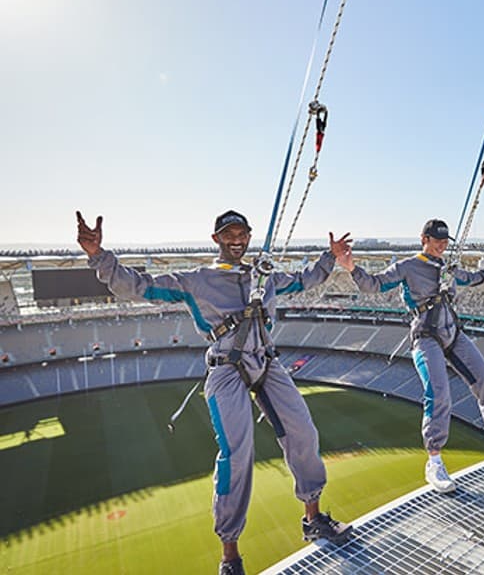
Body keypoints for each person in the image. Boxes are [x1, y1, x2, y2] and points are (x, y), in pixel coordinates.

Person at [76, 210, 352, 575]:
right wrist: (99, 256)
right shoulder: (197, 279)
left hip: (266, 361)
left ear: (250, 237)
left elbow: (305, 279)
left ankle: (313, 518)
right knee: (237, 454)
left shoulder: (263, 276)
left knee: (303, 431)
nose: (236, 239)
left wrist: (329, 255)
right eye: (229, 233)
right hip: (226, 368)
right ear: (216, 239)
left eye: (242, 233)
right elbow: (138, 285)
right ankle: (230, 557)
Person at [332, 219, 484, 493]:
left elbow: (468, 278)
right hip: (426, 336)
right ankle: (434, 462)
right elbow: (375, 284)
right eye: (437, 241)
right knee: (439, 393)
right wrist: (351, 267)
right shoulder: (408, 266)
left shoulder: (447, 266)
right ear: (423, 238)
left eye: (445, 242)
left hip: (453, 333)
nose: (442, 246)